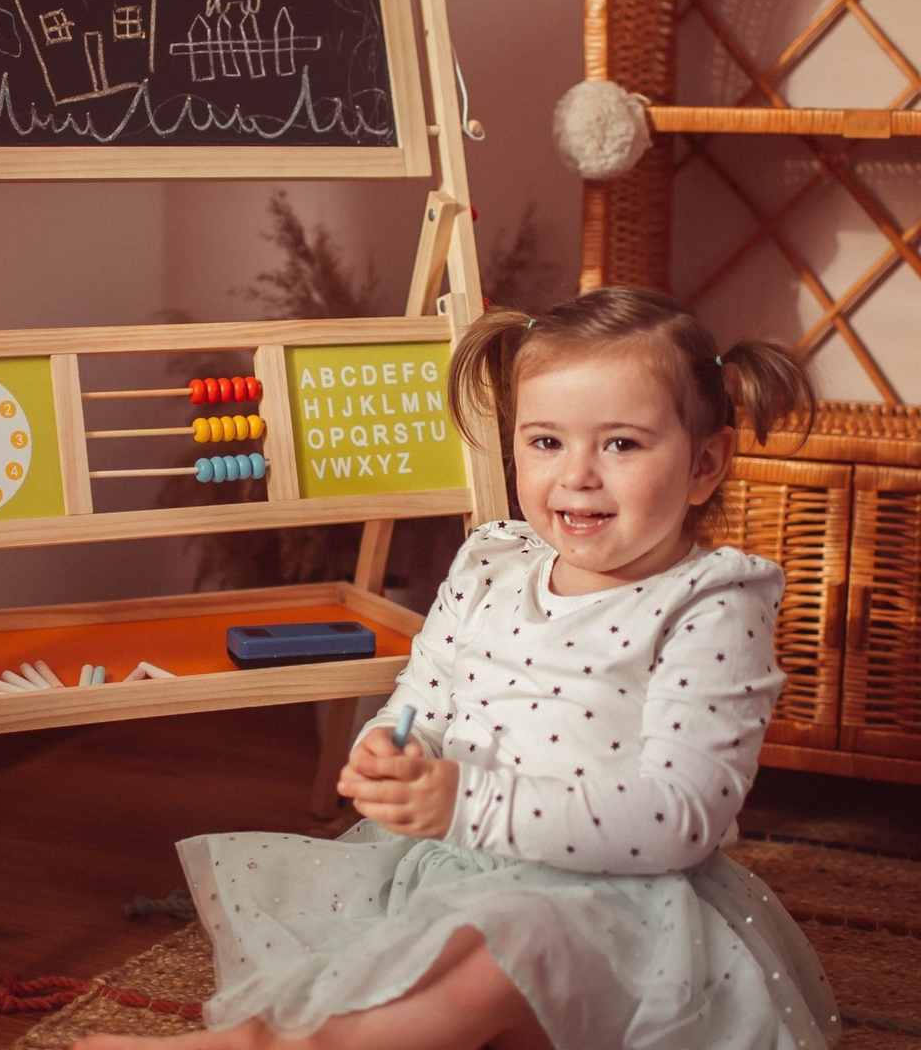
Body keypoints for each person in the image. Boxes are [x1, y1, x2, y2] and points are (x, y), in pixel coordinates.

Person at [77, 286, 842, 1050]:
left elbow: (681, 817)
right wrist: (389, 748)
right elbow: (426, 699)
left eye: (620, 444)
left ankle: (272, 1048)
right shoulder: (492, 564)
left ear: (706, 465)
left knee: (512, 950)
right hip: (457, 872)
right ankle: (281, 1033)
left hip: (620, 906)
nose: (576, 475)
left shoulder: (710, 605)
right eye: (546, 442)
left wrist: (466, 805)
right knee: (380, 968)